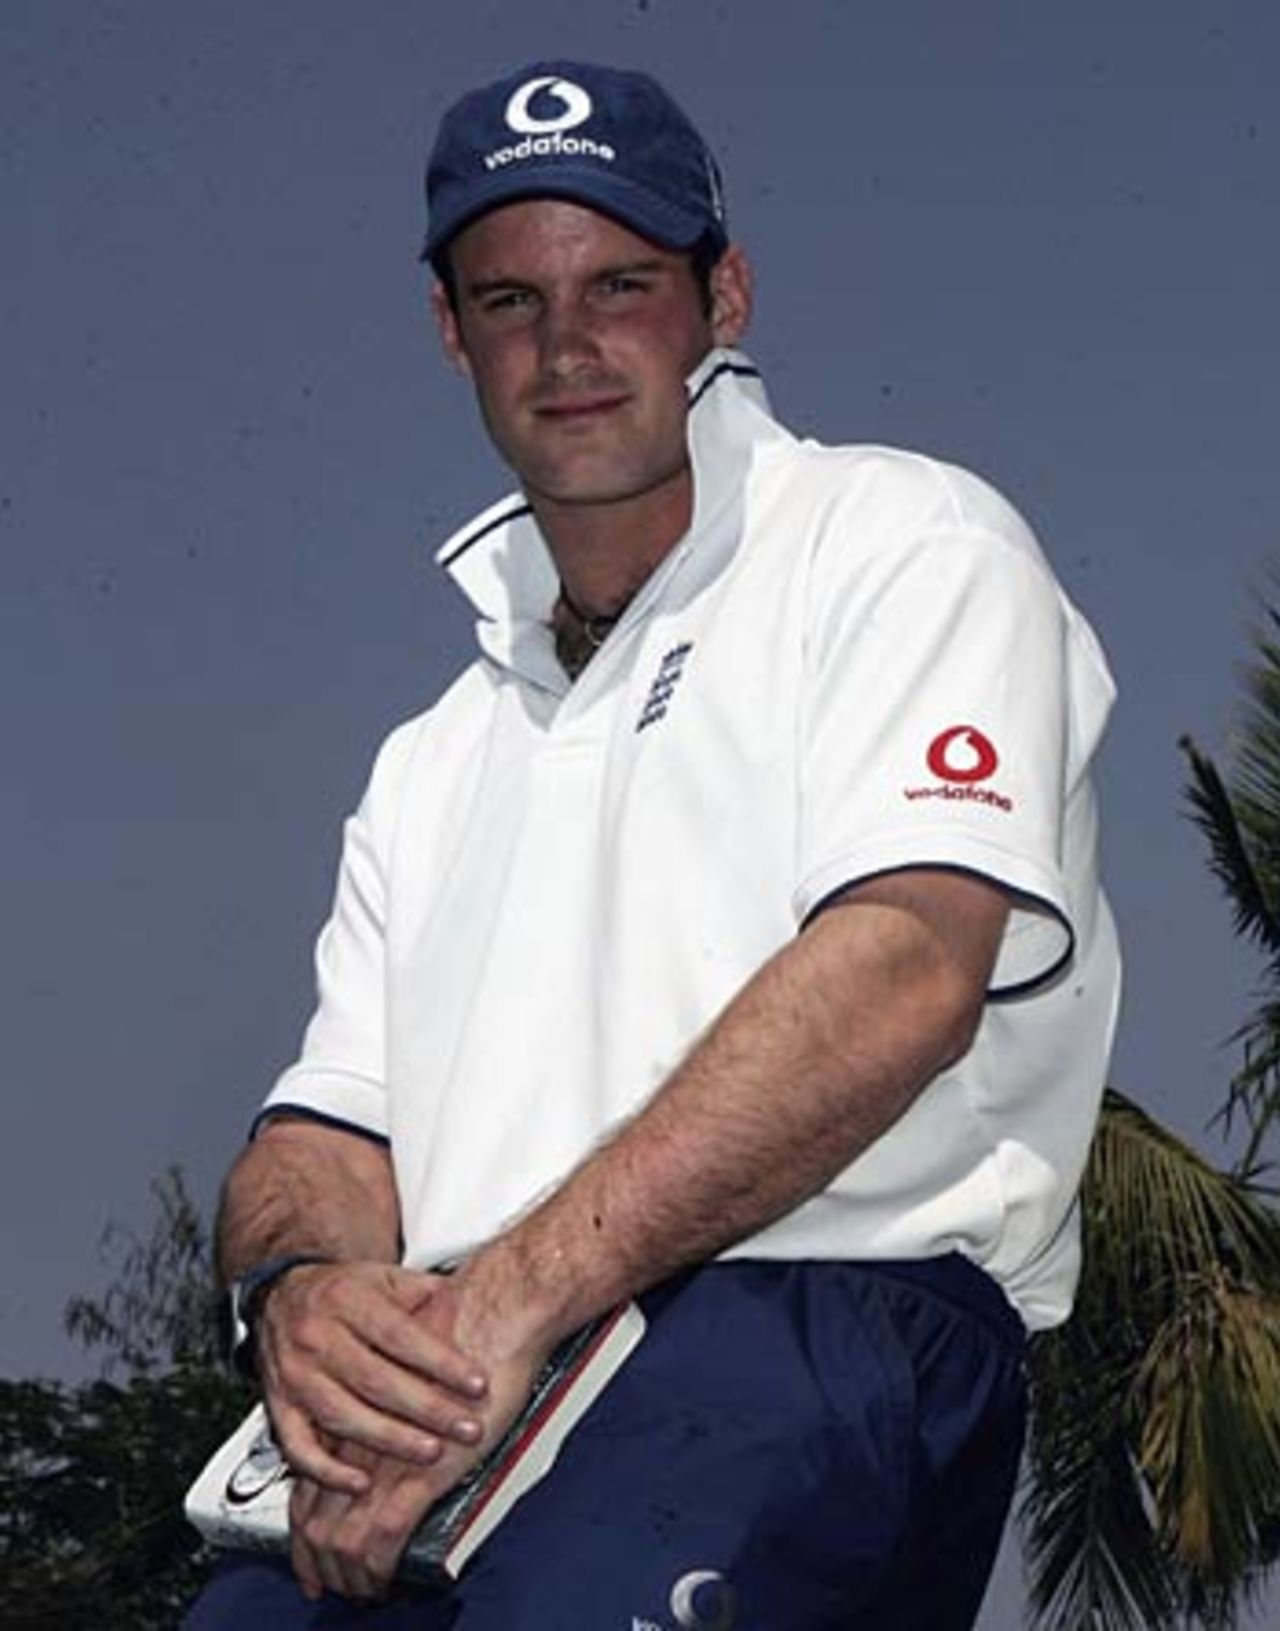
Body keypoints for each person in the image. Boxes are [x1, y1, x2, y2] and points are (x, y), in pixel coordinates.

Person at [184, 58, 1120, 1631]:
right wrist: (308, 1299)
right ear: (450, 332)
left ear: (722, 296)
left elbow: (904, 969)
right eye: (510, 301)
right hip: (469, 1371)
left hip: (817, 1311)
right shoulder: (435, 751)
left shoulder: (899, 540)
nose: (568, 348)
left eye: (621, 283)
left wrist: (502, 1309)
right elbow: (325, 1138)